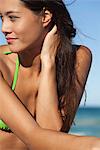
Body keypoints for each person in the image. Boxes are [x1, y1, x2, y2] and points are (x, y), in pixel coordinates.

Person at [0, 0, 100, 150]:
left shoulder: (77, 58)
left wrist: (48, 63)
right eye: (2, 18)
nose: (4, 28)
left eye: (13, 18)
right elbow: (32, 137)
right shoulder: (2, 64)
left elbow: (53, 135)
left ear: (45, 16)